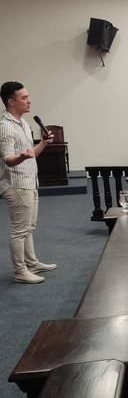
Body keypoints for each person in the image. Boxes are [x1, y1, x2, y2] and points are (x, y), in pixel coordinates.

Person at [0, 81, 57, 284]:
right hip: (16, 184)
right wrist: (21, 157)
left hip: (30, 180)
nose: (29, 100)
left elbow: (31, 154)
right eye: (24, 98)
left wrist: (43, 143)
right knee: (19, 229)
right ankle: (20, 271)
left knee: (29, 226)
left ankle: (31, 263)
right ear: (11, 102)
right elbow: (8, 159)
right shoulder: (5, 127)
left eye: (28, 96)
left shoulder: (23, 123)